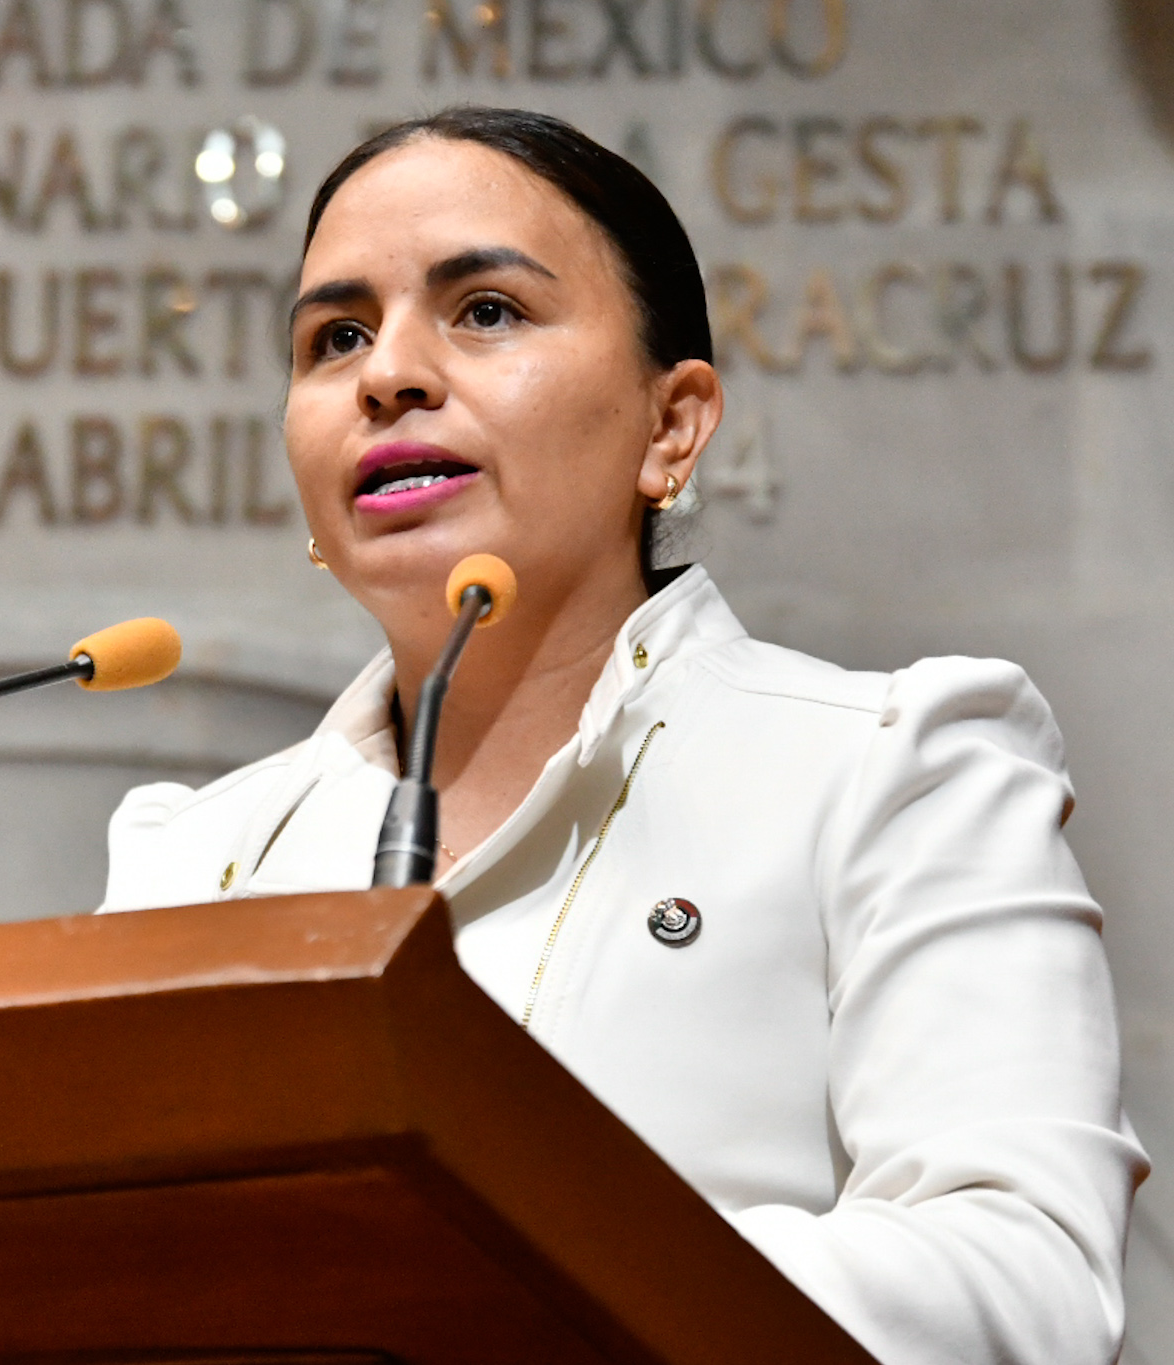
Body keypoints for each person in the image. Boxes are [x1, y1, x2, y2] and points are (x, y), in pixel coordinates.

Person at [99, 107, 1146, 1365]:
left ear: (670, 427)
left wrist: (494, 1283)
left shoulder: (893, 771)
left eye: (485, 310)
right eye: (336, 337)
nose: (387, 375)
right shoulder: (195, 857)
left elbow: (1026, 1285)